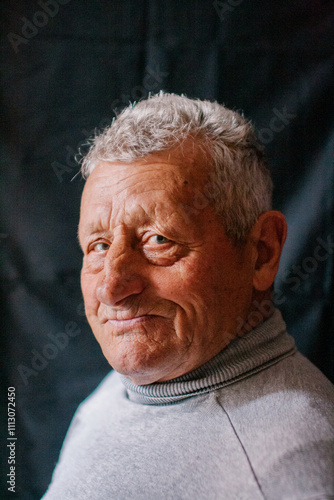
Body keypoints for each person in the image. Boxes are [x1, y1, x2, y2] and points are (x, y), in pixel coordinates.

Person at [42, 93, 334, 499]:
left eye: (159, 240)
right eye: (99, 245)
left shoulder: (287, 474)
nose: (111, 287)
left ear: (262, 252)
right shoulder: (127, 385)